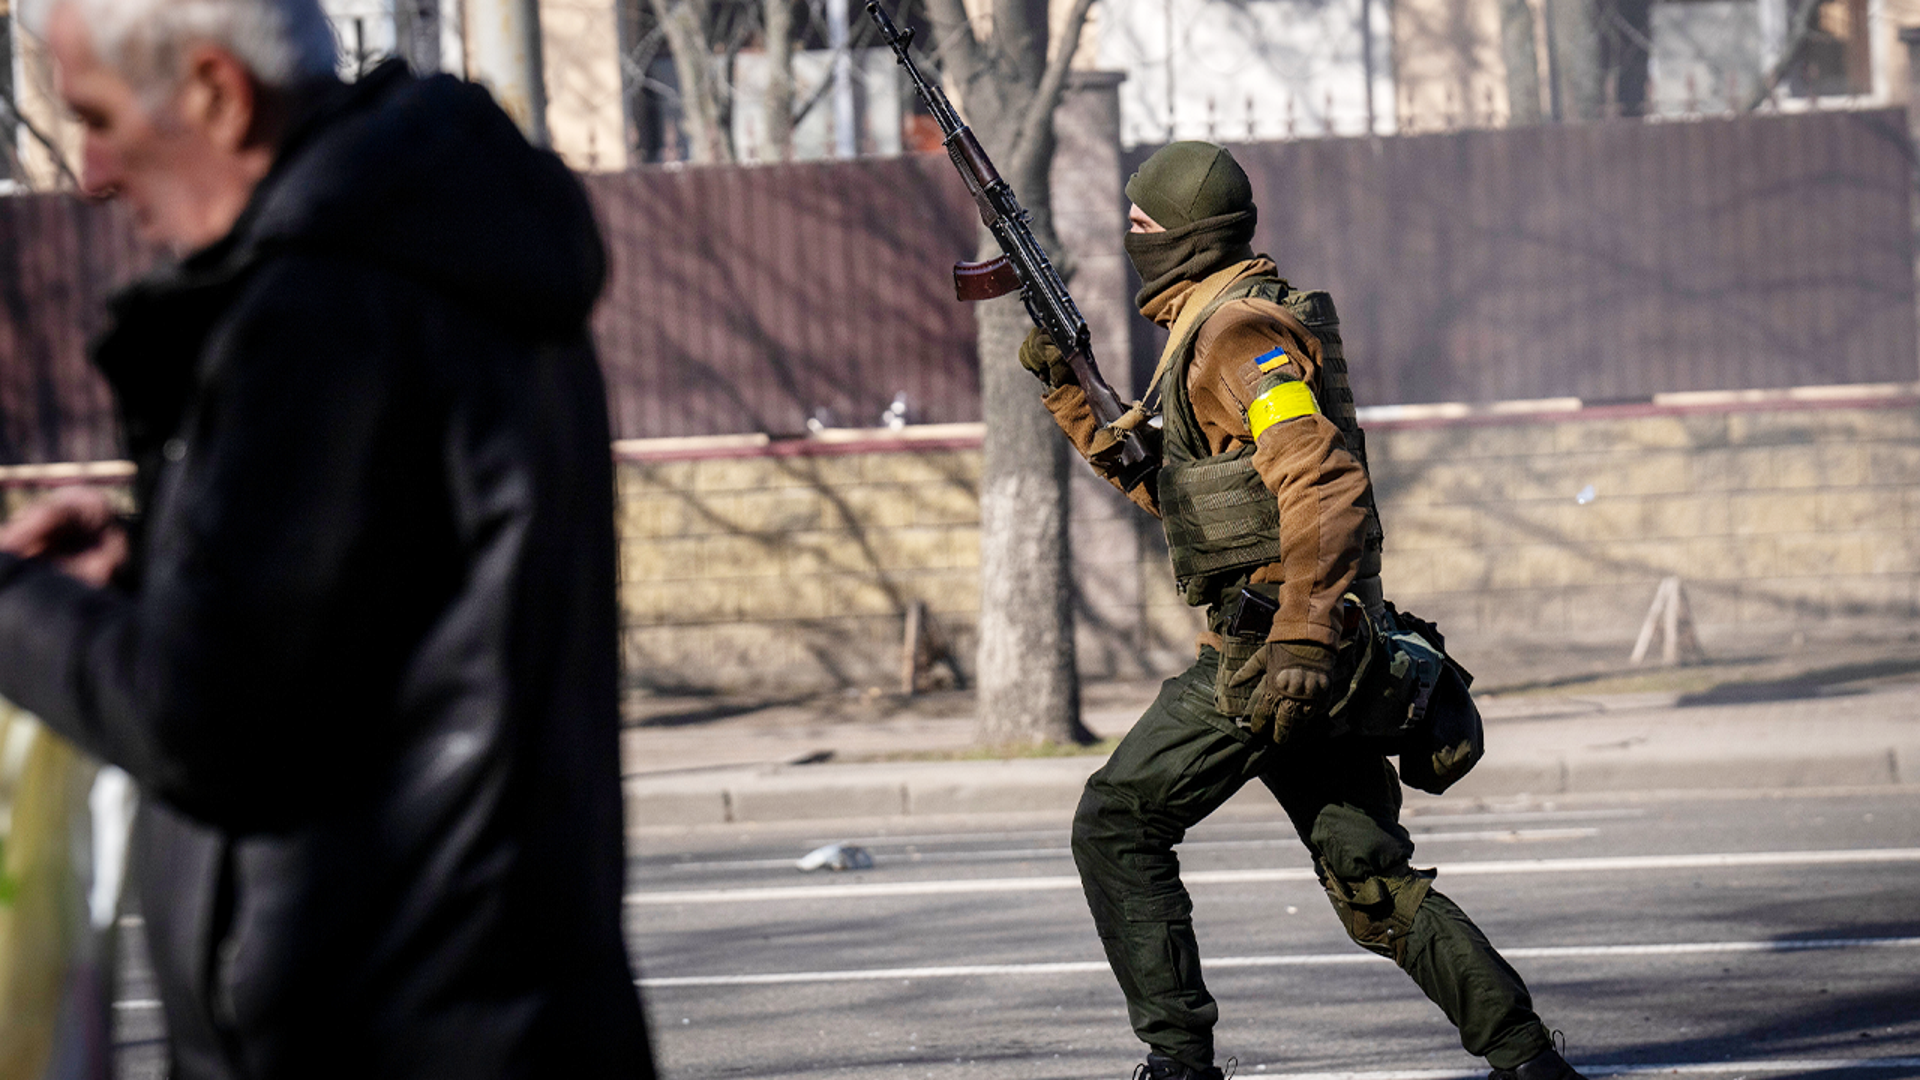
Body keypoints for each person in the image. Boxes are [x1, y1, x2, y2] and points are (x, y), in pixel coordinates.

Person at [0, 1, 653, 1076]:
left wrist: (14, 603)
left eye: (101, 118)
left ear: (217, 91)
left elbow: (207, 719)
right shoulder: (434, 256)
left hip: (385, 1037)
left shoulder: (325, 311)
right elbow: (352, 614)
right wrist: (144, 573)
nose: (91, 173)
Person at [1018, 141, 1589, 1080]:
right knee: (1374, 884)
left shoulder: (1237, 334)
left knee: (1117, 822)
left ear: (1188, 237)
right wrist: (1070, 394)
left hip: (1272, 654)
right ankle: (1530, 1061)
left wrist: (1303, 637)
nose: (1129, 234)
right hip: (1301, 649)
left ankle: (1178, 1063)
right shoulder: (1211, 326)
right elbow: (1193, 500)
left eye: (1142, 222)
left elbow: (1321, 485)